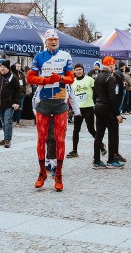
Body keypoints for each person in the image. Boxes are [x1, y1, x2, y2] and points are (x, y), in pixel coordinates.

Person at [26, 29, 74, 192]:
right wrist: (45, 80)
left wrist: (59, 78)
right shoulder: (39, 57)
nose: (54, 42)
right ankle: (42, 173)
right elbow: (30, 78)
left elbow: (71, 78)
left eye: (56, 39)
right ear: (45, 42)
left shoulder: (66, 56)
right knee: (42, 138)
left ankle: (58, 175)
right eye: (51, 40)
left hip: (60, 101)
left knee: (60, 139)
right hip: (44, 101)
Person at [93, 56, 125, 168]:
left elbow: (94, 94)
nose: (114, 67)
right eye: (114, 65)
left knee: (99, 135)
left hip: (98, 106)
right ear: (110, 65)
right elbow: (113, 97)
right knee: (113, 134)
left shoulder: (97, 77)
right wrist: (117, 113)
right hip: (108, 108)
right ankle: (111, 160)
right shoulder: (110, 78)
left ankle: (96, 160)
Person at [67, 64, 98, 159]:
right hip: (78, 109)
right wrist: (71, 109)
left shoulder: (90, 80)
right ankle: (74, 150)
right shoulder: (72, 81)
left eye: (80, 69)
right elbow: (70, 95)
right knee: (76, 130)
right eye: (76, 70)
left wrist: (95, 104)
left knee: (91, 129)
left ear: (83, 70)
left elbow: (96, 93)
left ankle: (100, 146)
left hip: (88, 107)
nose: (78, 71)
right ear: (74, 71)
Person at [11, 62, 28, 126]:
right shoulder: (12, 74)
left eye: (20, 66)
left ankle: (18, 120)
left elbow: (24, 83)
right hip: (15, 93)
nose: (19, 67)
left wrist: (24, 90)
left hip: (22, 93)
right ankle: (12, 119)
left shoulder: (22, 74)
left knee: (20, 107)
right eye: (17, 66)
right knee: (13, 107)